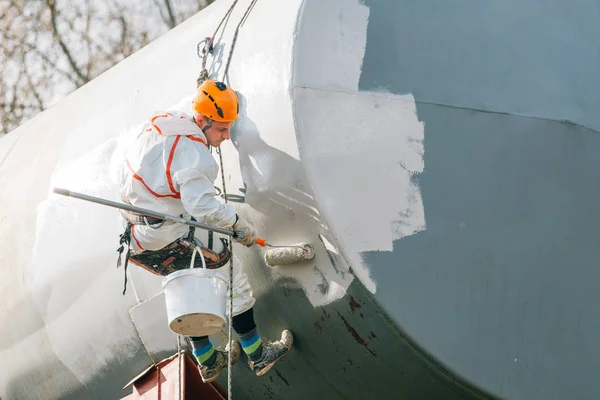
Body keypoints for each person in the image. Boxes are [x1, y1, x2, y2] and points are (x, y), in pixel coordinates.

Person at [117, 79, 293, 383]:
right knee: (233, 280)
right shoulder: (195, 152)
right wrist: (239, 226)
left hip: (138, 231)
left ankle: (209, 361)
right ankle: (257, 355)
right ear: (202, 120)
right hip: (169, 227)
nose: (226, 137)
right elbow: (203, 207)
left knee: (188, 285)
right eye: (221, 130)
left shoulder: (164, 122)